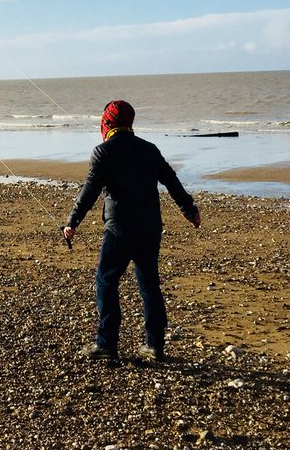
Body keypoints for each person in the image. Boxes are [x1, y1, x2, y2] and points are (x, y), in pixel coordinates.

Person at [63, 99, 200, 362]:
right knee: (149, 285)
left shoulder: (103, 151)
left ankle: (106, 344)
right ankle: (154, 346)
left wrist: (72, 221)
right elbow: (171, 180)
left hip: (119, 229)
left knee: (106, 282)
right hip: (150, 228)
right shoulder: (149, 149)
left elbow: (90, 190)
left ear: (108, 122)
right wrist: (189, 210)